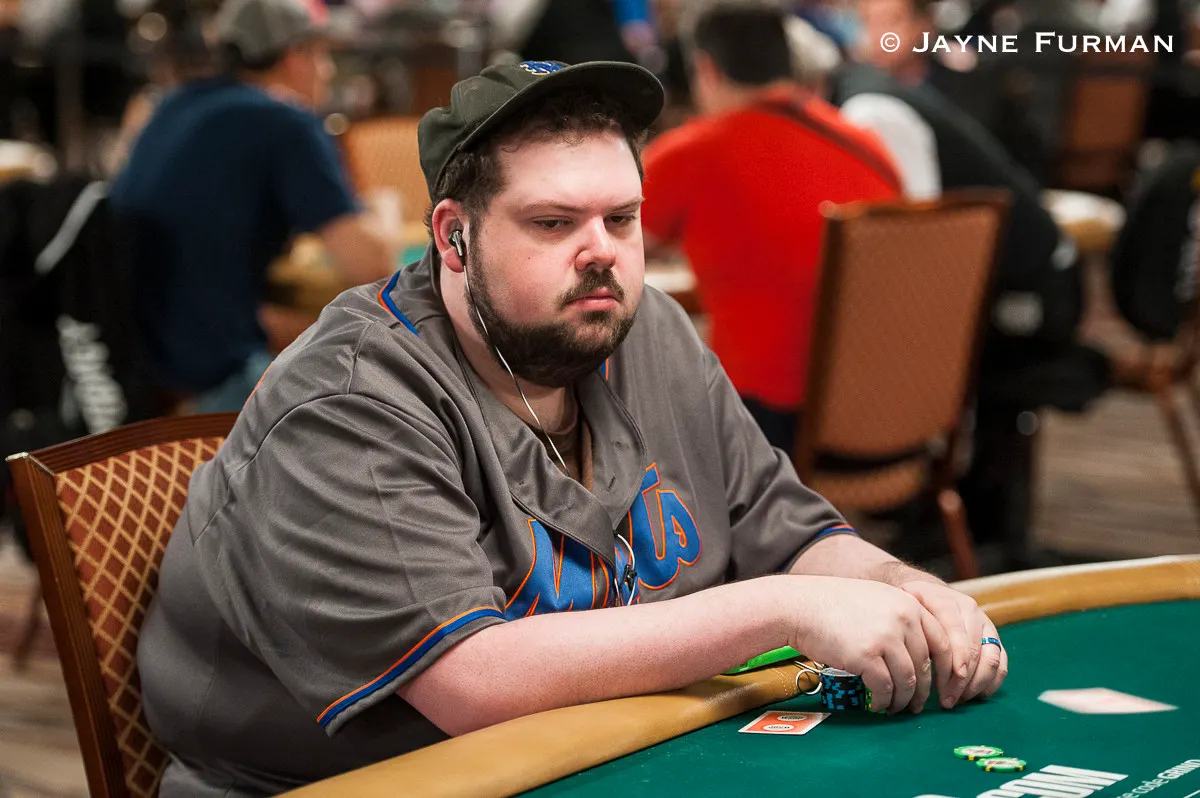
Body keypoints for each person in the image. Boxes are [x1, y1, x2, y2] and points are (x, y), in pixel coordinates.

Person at [138, 58, 1007, 796]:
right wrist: (788, 609)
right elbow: (472, 682)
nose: (602, 253)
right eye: (553, 223)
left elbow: (786, 531)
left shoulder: (646, 330)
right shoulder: (348, 402)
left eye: (621, 219)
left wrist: (901, 585)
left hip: (610, 756)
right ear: (454, 238)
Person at [109, 0, 394, 414]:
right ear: (295, 55)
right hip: (208, 382)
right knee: (386, 367)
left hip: (131, 369)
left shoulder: (172, 104)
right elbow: (370, 266)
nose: (329, 70)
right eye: (323, 54)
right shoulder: (285, 121)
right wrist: (383, 210)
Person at [639, 2, 901, 451]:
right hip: (892, 414)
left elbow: (610, 247)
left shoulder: (695, 150)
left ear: (706, 68)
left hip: (766, 431)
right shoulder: (866, 144)